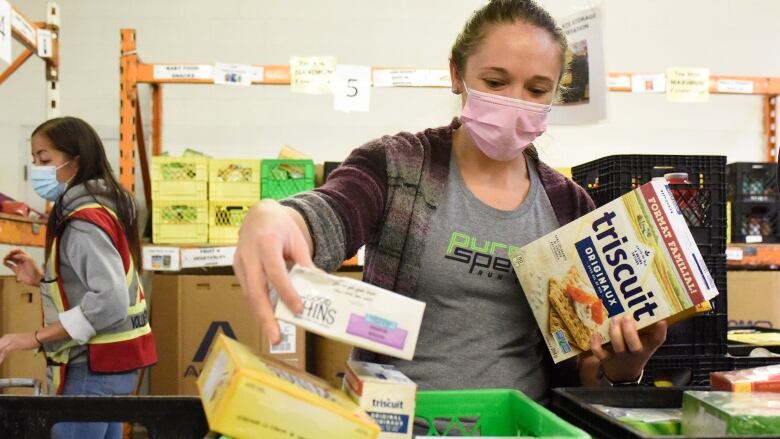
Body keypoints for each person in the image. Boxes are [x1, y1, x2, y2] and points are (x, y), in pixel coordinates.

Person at [234, 0, 667, 404]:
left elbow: (583, 362)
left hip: (518, 424)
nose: (515, 103)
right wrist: (286, 218)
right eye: (496, 82)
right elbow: (336, 208)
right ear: (456, 74)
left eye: (537, 90)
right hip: (394, 420)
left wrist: (623, 369)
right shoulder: (397, 166)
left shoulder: (569, 206)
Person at [1, 117, 157, 439]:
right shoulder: (107, 207)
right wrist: (45, 279)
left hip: (93, 365)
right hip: (115, 364)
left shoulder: (82, 221)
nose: (37, 170)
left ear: (77, 162)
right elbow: (99, 282)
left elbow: (110, 301)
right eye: (34, 161)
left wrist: (34, 337)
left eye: (45, 160)